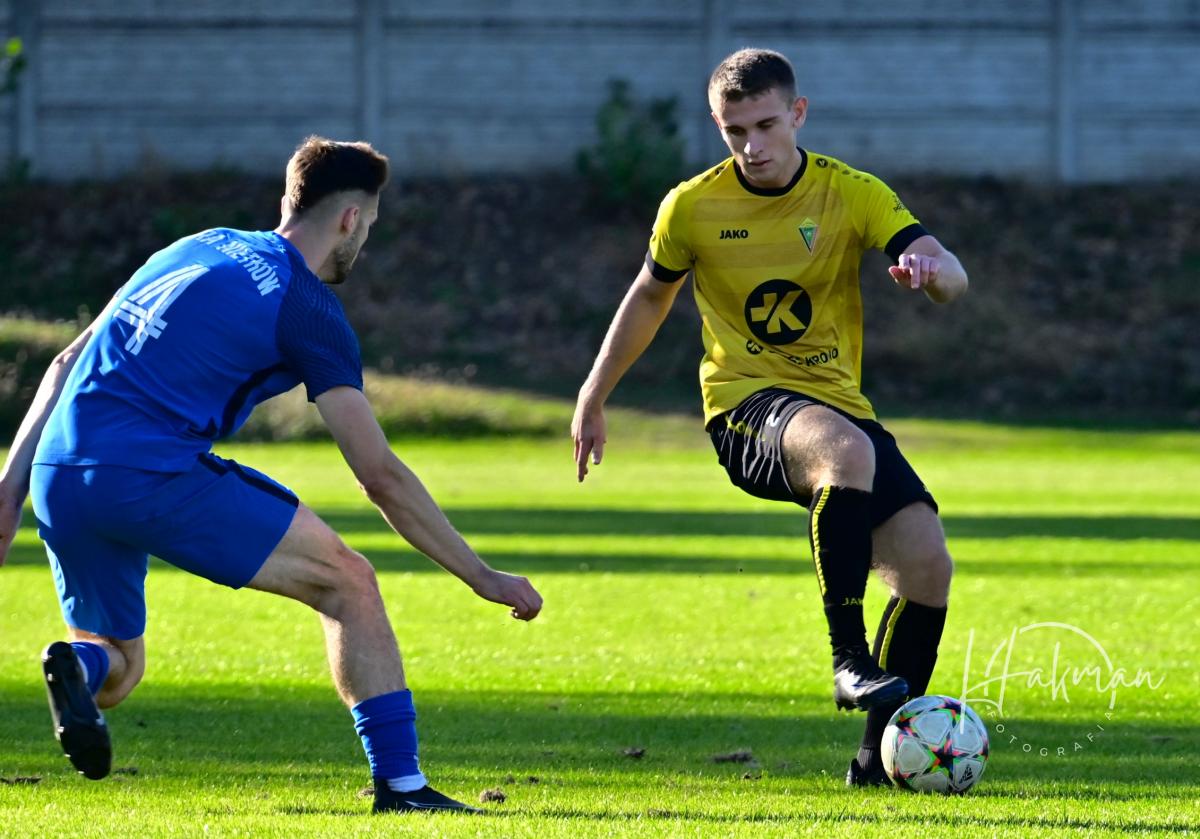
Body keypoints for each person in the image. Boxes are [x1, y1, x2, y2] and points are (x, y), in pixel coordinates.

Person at [0, 136, 542, 814]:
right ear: (350, 218)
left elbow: (63, 364)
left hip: (58, 468)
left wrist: (9, 494)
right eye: (369, 225)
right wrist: (481, 575)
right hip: (147, 471)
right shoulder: (306, 306)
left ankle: (75, 665)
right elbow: (378, 474)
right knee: (349, 582)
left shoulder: (196, 244)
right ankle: (403, 787)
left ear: (289, 198)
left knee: (117, 666)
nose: (364, 240)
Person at [571, 49, 967, 787]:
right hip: (744, 407)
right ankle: (848, 657)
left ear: (798, 114)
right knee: (846, 453)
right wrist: (595, 392)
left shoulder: (850, 192)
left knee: (926, 565)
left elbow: (949, 271)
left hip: (839, 406)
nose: (751, 146)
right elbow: (650, 296)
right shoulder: (692, 206)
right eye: (734, 131)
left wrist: (932, 274)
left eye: (765, 125)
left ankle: (876, 762)